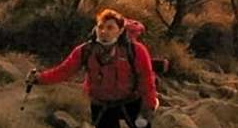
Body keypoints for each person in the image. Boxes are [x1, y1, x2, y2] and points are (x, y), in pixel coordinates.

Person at [26, 9, 159, 128]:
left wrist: (149, 106)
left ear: (121, 30)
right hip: (102, 105)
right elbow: (64, 71)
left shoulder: (136, 50)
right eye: (100, 27)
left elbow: (146, 79)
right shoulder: (85, 50)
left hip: (132, 102)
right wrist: (39, 79)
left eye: (110, 27)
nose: (104, 31)